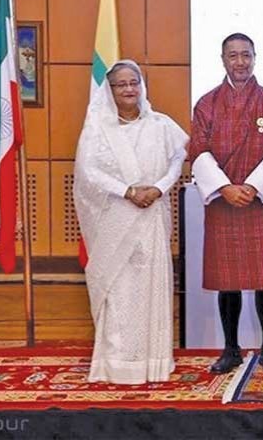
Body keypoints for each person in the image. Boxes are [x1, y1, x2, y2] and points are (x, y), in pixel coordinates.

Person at [74, 60, 188, 384]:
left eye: (133, 83)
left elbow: (177, 159)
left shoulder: (161, 125)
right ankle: (117, 364)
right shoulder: (97, 129)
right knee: (119, 292)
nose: (128, 89)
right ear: (109, 91)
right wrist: (127, 191)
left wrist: (159, 187)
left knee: (152, 288)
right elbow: (88, 172)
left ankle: (153, 362)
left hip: (151, 214)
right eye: (120, 84)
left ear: (141, 86)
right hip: (115, 218)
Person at [190, 33, 263, 375]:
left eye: (246, 55)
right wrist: (225, 188)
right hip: (223, 203)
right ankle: (231, 347)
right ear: (223, 60)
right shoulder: (206, 104)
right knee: (228, 280)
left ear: (255, 57)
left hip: (260, 203)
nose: (240, 62)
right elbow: (199, 151)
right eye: (233, 56)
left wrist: (250, 186)